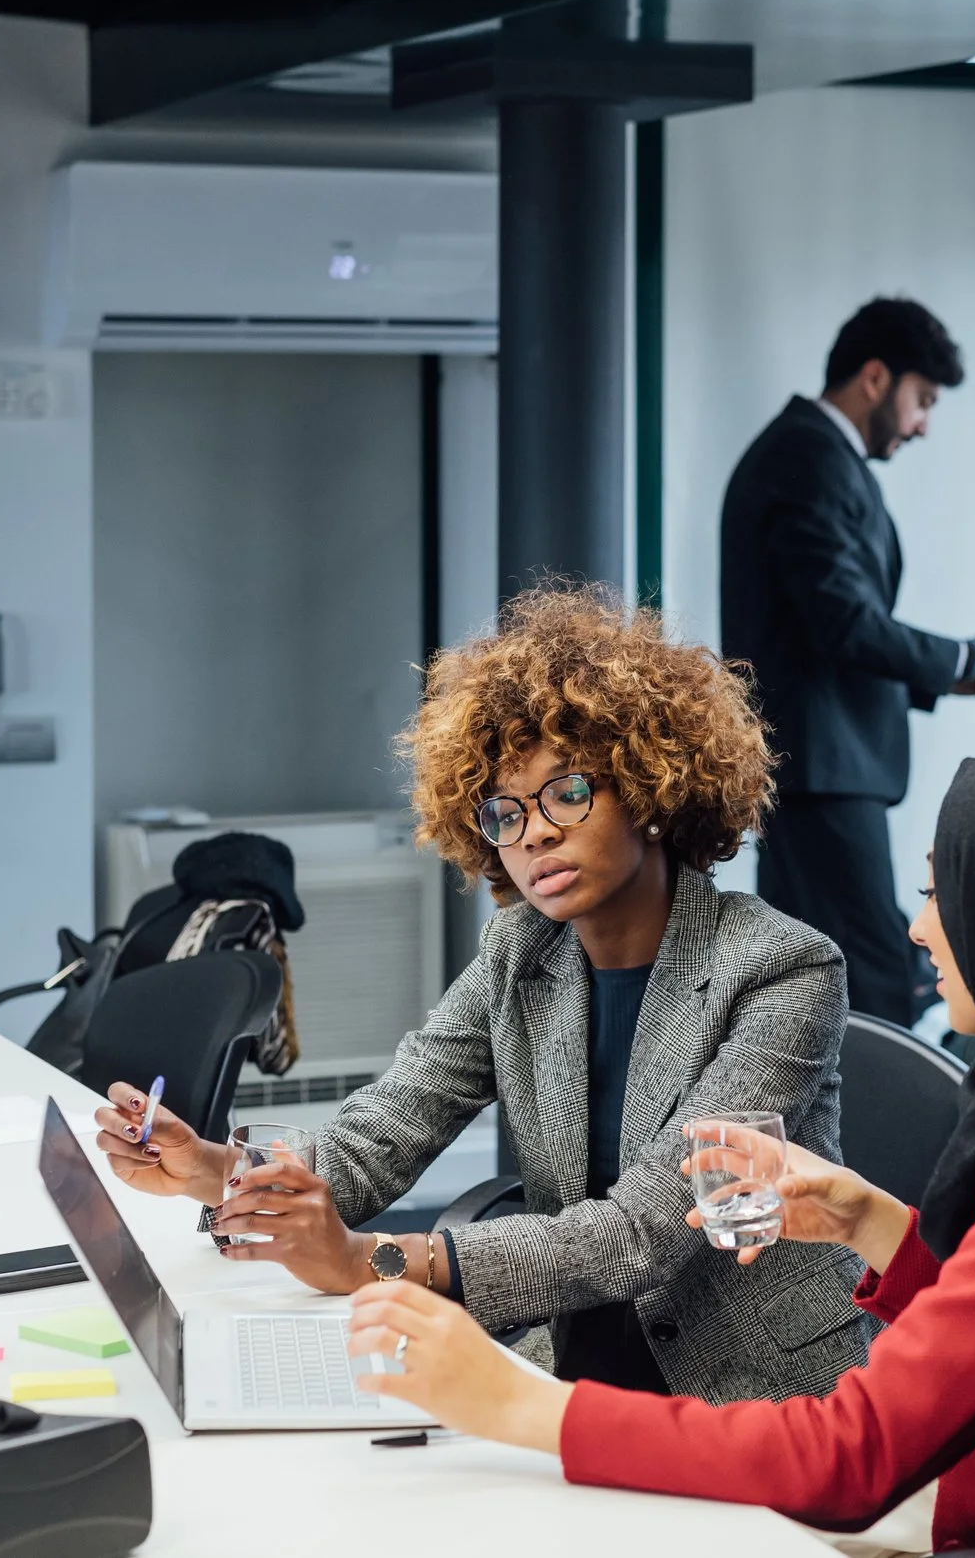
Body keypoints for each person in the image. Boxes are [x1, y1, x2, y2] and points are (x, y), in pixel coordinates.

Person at [340, 728, 975, 1553]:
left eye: (943, 889)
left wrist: (517, 1402)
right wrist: (868, 1216)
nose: (920, 927)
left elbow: (856, 1453)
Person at [94, 588, 870, 1401]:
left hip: (754, 1389)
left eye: (569, 793)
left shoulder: (782, 967)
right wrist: (216, 1169)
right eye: (505, 811)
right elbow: (385, 1129)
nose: (534, 832)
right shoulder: (522, 948)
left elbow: (641, 1235)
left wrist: (371, 1259)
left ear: (648, 788)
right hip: (577, 1360)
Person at [721, 297, 975, 1026]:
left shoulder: (812, 455)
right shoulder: (807, 458)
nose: (924, 422)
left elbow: (829, 633)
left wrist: (969, 669)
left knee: (835, 979)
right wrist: (967, 654)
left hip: (821, 773)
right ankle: (876, 1141)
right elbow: (845, 623)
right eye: (922, 399)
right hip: (822, 778)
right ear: (873, 377)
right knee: (874, 984)